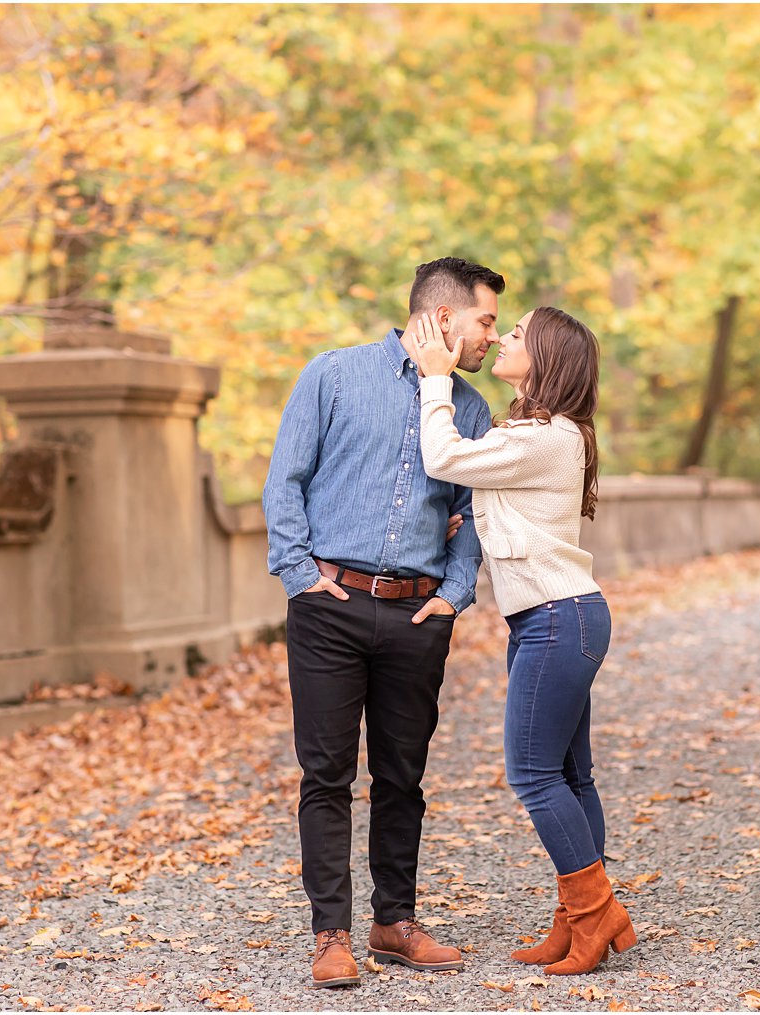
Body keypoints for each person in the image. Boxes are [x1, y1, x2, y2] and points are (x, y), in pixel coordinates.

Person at [262, 257, 504, 988]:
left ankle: (392, 920)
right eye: (485, 321)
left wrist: (454, 593)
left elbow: (471, 517)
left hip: (415, 612)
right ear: (442, 318)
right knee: (327, 773)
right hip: (328, 608)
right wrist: (302, 577)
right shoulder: (332, 375)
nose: (491, 336)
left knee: (403, 773)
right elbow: (285, 482)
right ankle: (330, 932)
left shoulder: (471, 410)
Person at [410, 306, 636, 976]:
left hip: (557, 618)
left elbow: (442, 454)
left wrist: (434, 380)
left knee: (534, 775)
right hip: (557, 616)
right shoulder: (546, 434)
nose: (505, 336)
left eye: (518, 333)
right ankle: (575, 921)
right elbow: (502, 502)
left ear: (547, 357)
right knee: (570, 774)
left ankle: (597, 917)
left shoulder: (544, 436)